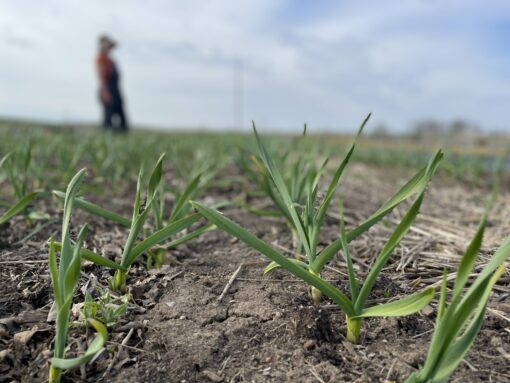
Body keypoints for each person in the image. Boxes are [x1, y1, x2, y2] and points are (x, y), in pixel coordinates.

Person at [96, 35, 128, 132]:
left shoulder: (109, 59)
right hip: (108, 89)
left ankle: (121, 133)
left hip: (115, 89)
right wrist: (105, 91)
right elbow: (101, 77)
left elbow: (115, 45)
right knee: (108, 116)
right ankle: (107, 135)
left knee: (121, 116)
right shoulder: (101, 58)